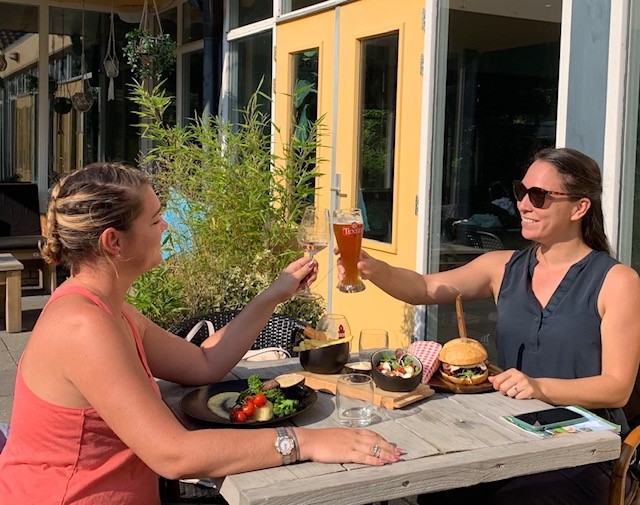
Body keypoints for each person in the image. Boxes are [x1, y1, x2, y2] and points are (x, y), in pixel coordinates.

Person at [0, 162, 403, 504]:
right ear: (114, 242)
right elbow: (173, 455)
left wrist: (273, 295)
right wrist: (305, 442)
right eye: (155, 219)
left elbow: (203, 363)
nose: (166, 225)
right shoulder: (83, 327)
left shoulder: (108, 309)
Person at [336, 147, 640, 504]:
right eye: (521, 191)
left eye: (538, 196)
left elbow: (617, 389)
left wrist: (539, 386)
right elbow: (424, 288)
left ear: (579, 208)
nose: (523, 204)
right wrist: (374, 269)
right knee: (438, 492)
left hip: (583, 448)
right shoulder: (502, 266)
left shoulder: (616, 281)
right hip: (509, 434)